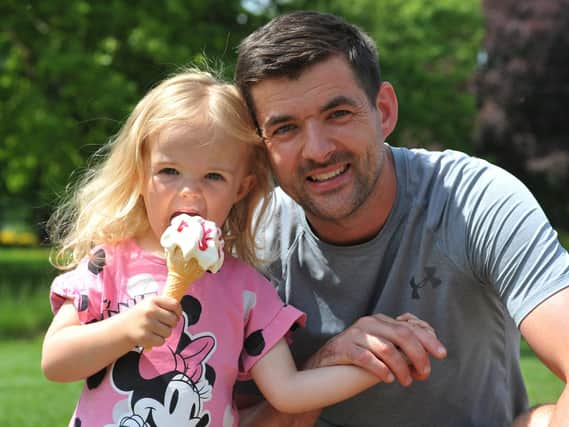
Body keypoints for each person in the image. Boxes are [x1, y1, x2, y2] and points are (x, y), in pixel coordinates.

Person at [41, 68, 442, 427]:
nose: (189, 192)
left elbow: (289, 392)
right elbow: (55, 361)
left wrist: (377, 364)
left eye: (213, 176)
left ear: (241, 189)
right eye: (168, 171)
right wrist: (124, 330)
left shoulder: (247, 290)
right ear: (140, 174)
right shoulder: (109, 263)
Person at [234, 10, 569, 427]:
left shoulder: (474, 201)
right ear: (261, 148)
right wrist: (319, 371)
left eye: (338, 114)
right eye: (285, 129)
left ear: (384, 111)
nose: (318, 150)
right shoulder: (249, 246)